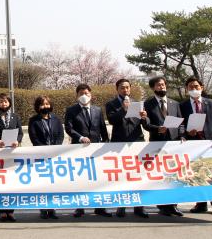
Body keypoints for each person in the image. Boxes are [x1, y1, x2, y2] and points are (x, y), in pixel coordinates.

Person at [180, 76, 212, 218]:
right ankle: (201, 204)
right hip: (192, 145)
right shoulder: (182, 106)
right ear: (187, 89)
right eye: (190, 87)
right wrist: (185, 133)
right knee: (196, 174)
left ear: (202, 87)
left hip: (209, 144)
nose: (194, 89)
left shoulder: (210, 103)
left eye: (196, 87)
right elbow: (180, 124)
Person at [64, 83, 111, 218]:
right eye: (81, 94)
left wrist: (106, 142)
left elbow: (102, 127)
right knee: (81, 178)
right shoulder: (71, 110)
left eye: (87, 93)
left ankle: (100, 207)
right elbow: (69, 128)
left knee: (98, 178)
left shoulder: (97, 110)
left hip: (96, 149)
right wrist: (80, 137)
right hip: (78, 149)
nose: (84, 96)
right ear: (77, 96)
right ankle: (80, 207)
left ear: (91, 95)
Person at [105, 78, 149, 219]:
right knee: (122, 176)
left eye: (127, 88)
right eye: (122, 88)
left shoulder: (138, 102)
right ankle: (121, 206)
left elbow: (145, 123)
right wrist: (123, 109)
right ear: (117, 89)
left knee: (139, 175)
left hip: (137, 141)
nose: (125, 90)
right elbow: (112, 120)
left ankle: (139, 207)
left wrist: (144, 117)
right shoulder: (111, 104)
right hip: (120, 143)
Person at [143, 75, 185, 217]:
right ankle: (162, 206)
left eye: (163, 84)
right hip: (157, 143)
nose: (162, 87)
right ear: (153, 88)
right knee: (160, 176)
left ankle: (173, 205)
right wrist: (157, 128)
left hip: (174, 144)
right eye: (158, 85)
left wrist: (182, 135)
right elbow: (146, 124)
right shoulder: (147, 104)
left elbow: (181, 123)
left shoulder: (175, 103)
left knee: (174, 175)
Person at [0, 93, 23, 222]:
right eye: (1, 102)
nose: (3, 104)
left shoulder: (15, 117)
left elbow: (20, 133)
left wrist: (17, 141)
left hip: (12, 153)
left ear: (9, 103)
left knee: (12, 182)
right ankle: (2, 211)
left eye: (6, 102)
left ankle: (11, 211)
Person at [28, 95, 63, 220]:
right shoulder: (33, 120)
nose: (45, 106)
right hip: (40, 156)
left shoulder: (56, 119)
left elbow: (60, 135)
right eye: (42, 104)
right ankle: (43, 209)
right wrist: (44, 150)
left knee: (53, 184)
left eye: (47, 104)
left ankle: (52, 209)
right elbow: (34, 137)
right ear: (38, 107)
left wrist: (54, 149)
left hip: (54, 156)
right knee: (42, 184)